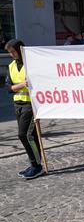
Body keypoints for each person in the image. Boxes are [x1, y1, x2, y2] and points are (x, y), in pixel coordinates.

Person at [5, 40, 44, 179]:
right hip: (18, 105)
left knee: (24, 135)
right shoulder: (11, 66)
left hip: (30, 105)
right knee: (31, 137)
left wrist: (18, 86)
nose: (11, 55)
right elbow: (9, 88)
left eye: (13, 51)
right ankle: (35, 164)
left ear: (20, 50)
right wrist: (22, 84)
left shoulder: (31, 64)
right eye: (9, 52)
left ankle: (37, 165)